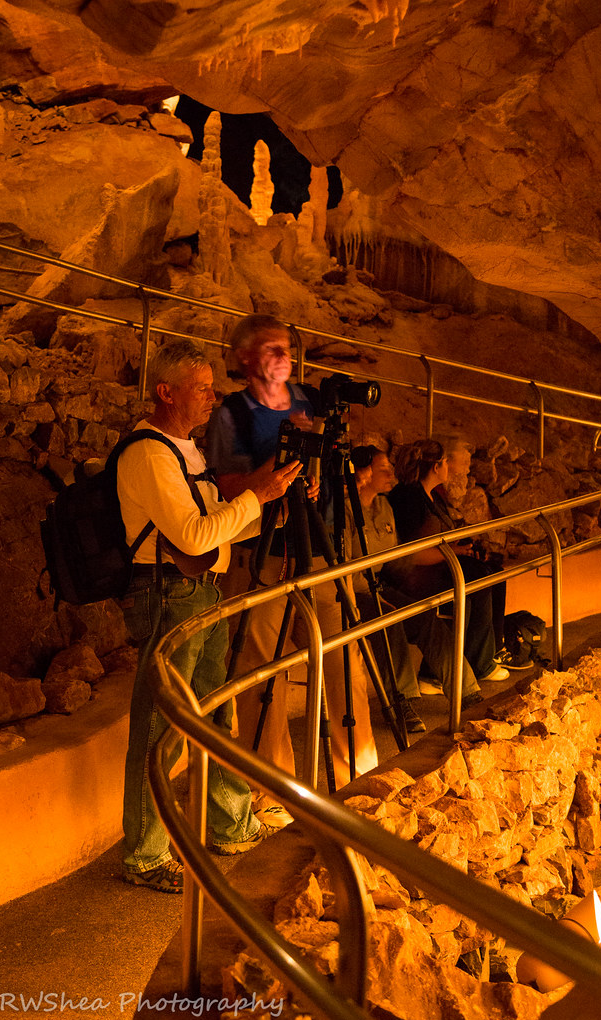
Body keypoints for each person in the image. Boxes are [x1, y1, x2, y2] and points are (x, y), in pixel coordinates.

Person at [117, 338, 302, 892]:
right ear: (165, 391)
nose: (212, 397)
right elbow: (193, 535)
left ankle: (230, 821)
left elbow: (212, 531)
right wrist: (254, 497)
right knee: (158, 725)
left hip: (199, 589)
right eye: (201, 388)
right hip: (167, 595)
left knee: (217, 715)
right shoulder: (149, 454)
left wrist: (270, 501)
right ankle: (145, 855)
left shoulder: (186, 451)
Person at [206, 313, 378, 793]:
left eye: (286, 347)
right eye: (271, 348)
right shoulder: (230, 415)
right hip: (264, 555)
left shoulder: (308, 399)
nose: (284, 356)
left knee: (346, 663)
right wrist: (281, 457)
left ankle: (360, 775)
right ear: (244, 357)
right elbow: (226, 486)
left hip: (319, 549)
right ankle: (273, 791)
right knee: (263, 675)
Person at [345, 445, 482, 715]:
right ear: (364, 473)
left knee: (426, 618)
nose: (391, 474)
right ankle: (401, 703)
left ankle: (467, 693)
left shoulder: (383, 506)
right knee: (389, 622)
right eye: (383, 468)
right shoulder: (346, 508)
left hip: (379, 585)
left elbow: (394, 557)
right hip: (353, 590)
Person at [387, 439, 512, 698]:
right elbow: (410, 552)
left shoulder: (433, 495)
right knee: (471, 580)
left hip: (438, 563)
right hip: (414, 573)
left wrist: (460, 547)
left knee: (492, 572)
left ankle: (485, 654)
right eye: (446, 462)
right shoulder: (408, 497)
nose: (449, 468)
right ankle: (439, 670)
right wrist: (454, 551)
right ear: (436, 466)